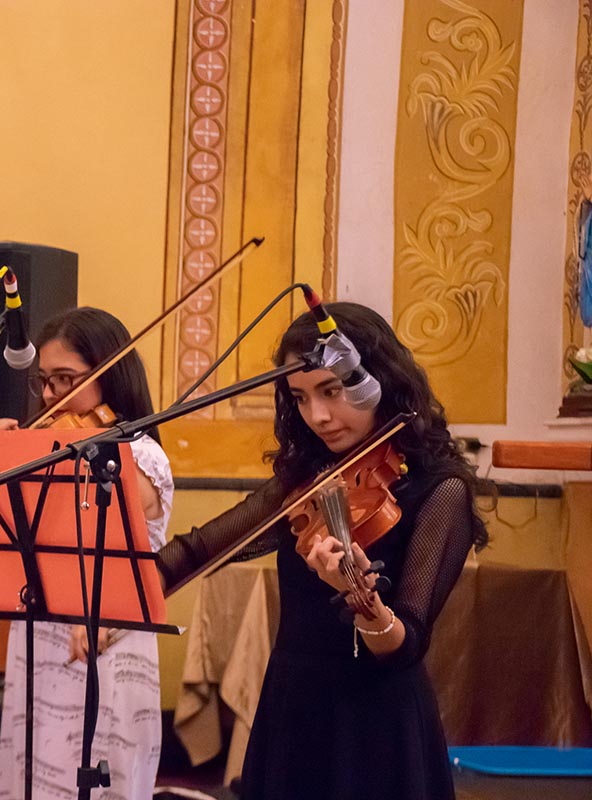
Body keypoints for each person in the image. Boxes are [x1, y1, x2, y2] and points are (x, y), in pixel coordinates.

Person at [157, 302, 489, 800]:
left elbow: (404, 647)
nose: (318, 417)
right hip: (293, 712)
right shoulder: (304, 483)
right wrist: (97, 580)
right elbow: (195, 550)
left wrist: (360, 598)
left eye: (332, 391)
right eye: (301, 397)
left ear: (376, 378)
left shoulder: (440, 491)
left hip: (375, 730)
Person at [0, 308, 174, 800]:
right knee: (34, 778)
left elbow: (94, 521)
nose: (49, 396)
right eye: (44, 382)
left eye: (65, 379)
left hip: (104, 639)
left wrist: (31, 458)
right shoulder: (46, 449)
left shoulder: (140, 456)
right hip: (40, 632)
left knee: (96, 778)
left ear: (111, 375)